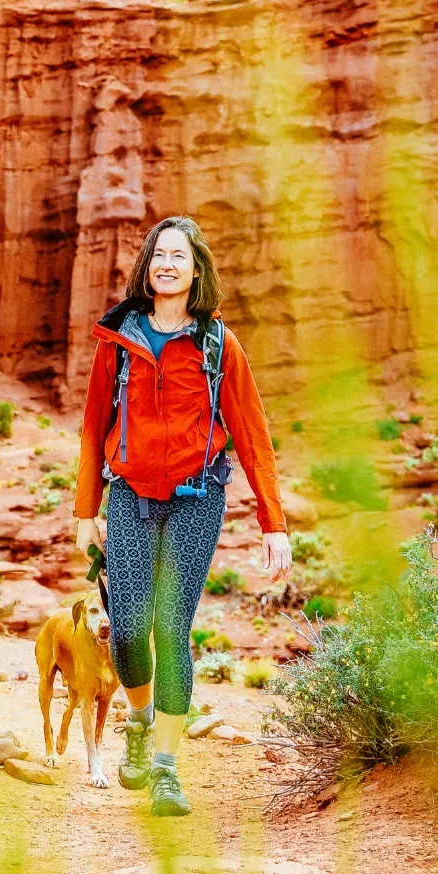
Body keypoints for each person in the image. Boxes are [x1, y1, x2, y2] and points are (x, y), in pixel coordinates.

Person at [75, 216, 291, 816]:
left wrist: (273, 525)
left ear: (196, 270)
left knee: (170, 629)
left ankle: (166, 768)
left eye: (179, 255)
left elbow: (252, 435)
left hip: (198, 499)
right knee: (126, 629)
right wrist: (84, 511)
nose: (166, 263)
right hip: (129, 498)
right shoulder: (118, 339)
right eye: (158, 254)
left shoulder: (219, 345)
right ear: (147, 267)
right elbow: (94, 426)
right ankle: (140, 719)